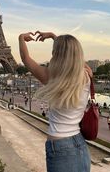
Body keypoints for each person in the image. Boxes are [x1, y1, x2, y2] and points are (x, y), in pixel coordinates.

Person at [19, 31, 91, 172]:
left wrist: (21, 38)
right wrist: (54, 37)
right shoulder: (86, 75)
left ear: (56, 54)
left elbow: (26, 58)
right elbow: (72, 55)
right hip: (80, 143)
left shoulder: (51, 77)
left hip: (59, 146)